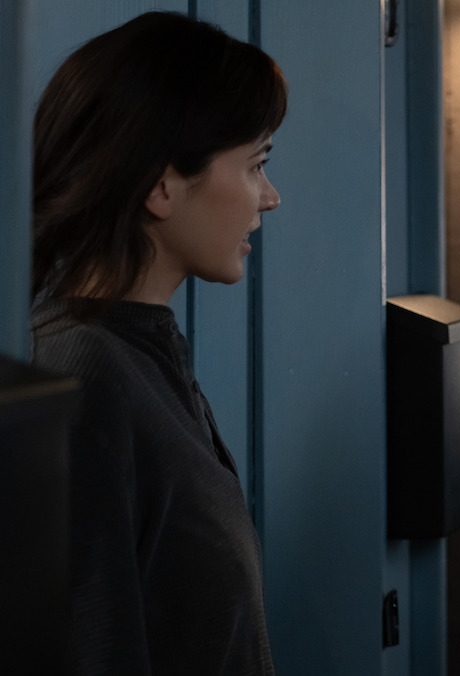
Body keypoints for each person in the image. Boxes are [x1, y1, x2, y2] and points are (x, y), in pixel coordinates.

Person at [30, 11, 285, 674]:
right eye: (256, 164)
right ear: (160, 185)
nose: (270, 197)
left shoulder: (138, 352)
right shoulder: (84, 379)